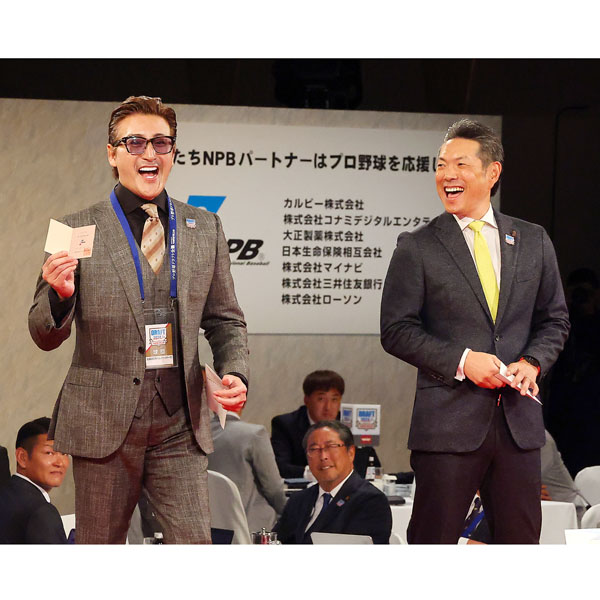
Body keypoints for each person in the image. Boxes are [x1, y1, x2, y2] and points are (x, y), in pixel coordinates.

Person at [28, 96, 249, 544]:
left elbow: (226, 320)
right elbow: (42, 332)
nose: (150, 153)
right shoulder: (76, 229)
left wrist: (235, 371)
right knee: (101, 550)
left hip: (179, 422)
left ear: (173, 152)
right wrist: (61, 296)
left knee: (195, 547)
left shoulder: (205, 227)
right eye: (135, 143)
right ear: (112, 154)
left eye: (161, 143)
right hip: (103, 419)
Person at [380, 119, 570, 544]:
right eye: (441, 165)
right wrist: (464, 361)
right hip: (447, 426)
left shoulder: (533, 240)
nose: (447, 175)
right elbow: (396, 329)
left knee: (519, 548)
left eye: (461, 164)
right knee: (433, 546)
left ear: (492, 172)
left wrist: (532, 362)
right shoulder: (418, 246)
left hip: (518, 426)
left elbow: (555, 319)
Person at [273, 420, 392, 544]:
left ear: (351, 453)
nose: (323, 456)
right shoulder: (299, 499)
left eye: (331, 447)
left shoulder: (370, 501)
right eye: (314, 449)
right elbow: (277, 541)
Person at [270, 369, 380, 479]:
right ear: (306, 400)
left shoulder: (349, 423)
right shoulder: (286, 424)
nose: (328, 407)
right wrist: (318, 472)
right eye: (321, 399)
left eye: (334, 399)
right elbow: (280, 467)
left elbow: (372, 467)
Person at [208, 408, 287, 533]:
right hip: (252, 527)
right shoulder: (254, 434)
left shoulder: (194, 436)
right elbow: (273, 488)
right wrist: (289, 514)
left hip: (211, 526)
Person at [0, 417, 69, 544]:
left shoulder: (5, 493)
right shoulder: (41, 513)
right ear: (22, 457)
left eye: (64, 453)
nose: (60, 463)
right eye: (49, 453)